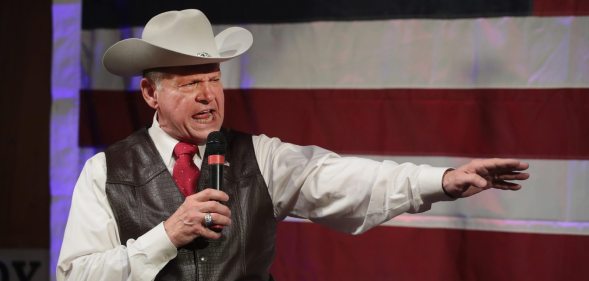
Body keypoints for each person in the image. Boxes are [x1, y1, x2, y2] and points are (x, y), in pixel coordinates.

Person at [57, 9, 529, 281]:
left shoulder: (259, 157)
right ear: (149, 93)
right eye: (188, 83)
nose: (207, 95)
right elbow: (76, 276)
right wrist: (165, 236)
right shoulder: (106, 171)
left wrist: (442, 181)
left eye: (214, 78)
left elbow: (344, 180)